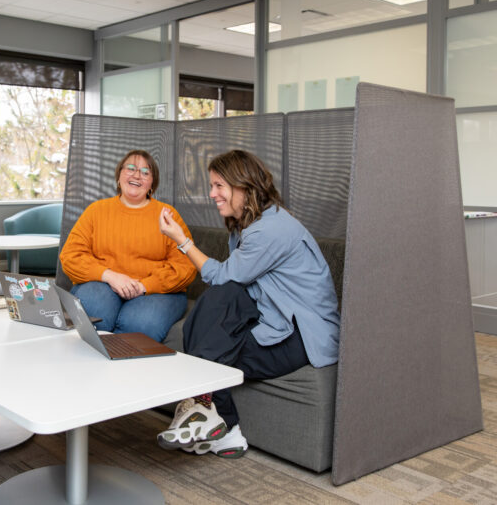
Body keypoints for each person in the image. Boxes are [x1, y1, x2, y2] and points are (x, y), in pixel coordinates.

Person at [156, 150, 340, 458]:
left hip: (302, 336)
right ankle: (211, 419)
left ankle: (217, 421)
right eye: (211, 186)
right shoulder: (249, 225)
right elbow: (233, 286)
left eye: (219, 186)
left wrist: (182, 241)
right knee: (209, 317)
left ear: (244, 187)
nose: (212, 194)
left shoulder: (270, 230)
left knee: (211, 337)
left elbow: (222, 277)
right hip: (271, 317)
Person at [59, 150, 197, 342]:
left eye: (145, 172)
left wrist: (143, 286)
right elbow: (71, 255)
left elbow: (185, 266)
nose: (137, 175)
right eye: (130, 168)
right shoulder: (96, 211)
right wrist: (110, 276)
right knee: (93, 309)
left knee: (140, 324)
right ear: (119, 176)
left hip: (155, 290)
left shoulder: (167, 215)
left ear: (152, 183)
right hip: (103, 284)